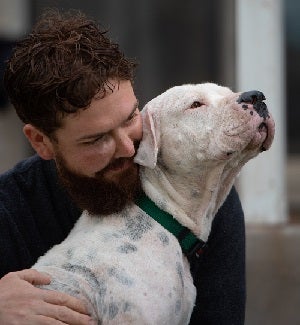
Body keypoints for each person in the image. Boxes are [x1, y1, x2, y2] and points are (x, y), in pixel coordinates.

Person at [0, 9, 246, 325]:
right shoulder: (10, 211)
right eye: (96, 139)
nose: (128, 148)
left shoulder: (197, 194)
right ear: (40, 141)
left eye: (130, 117)